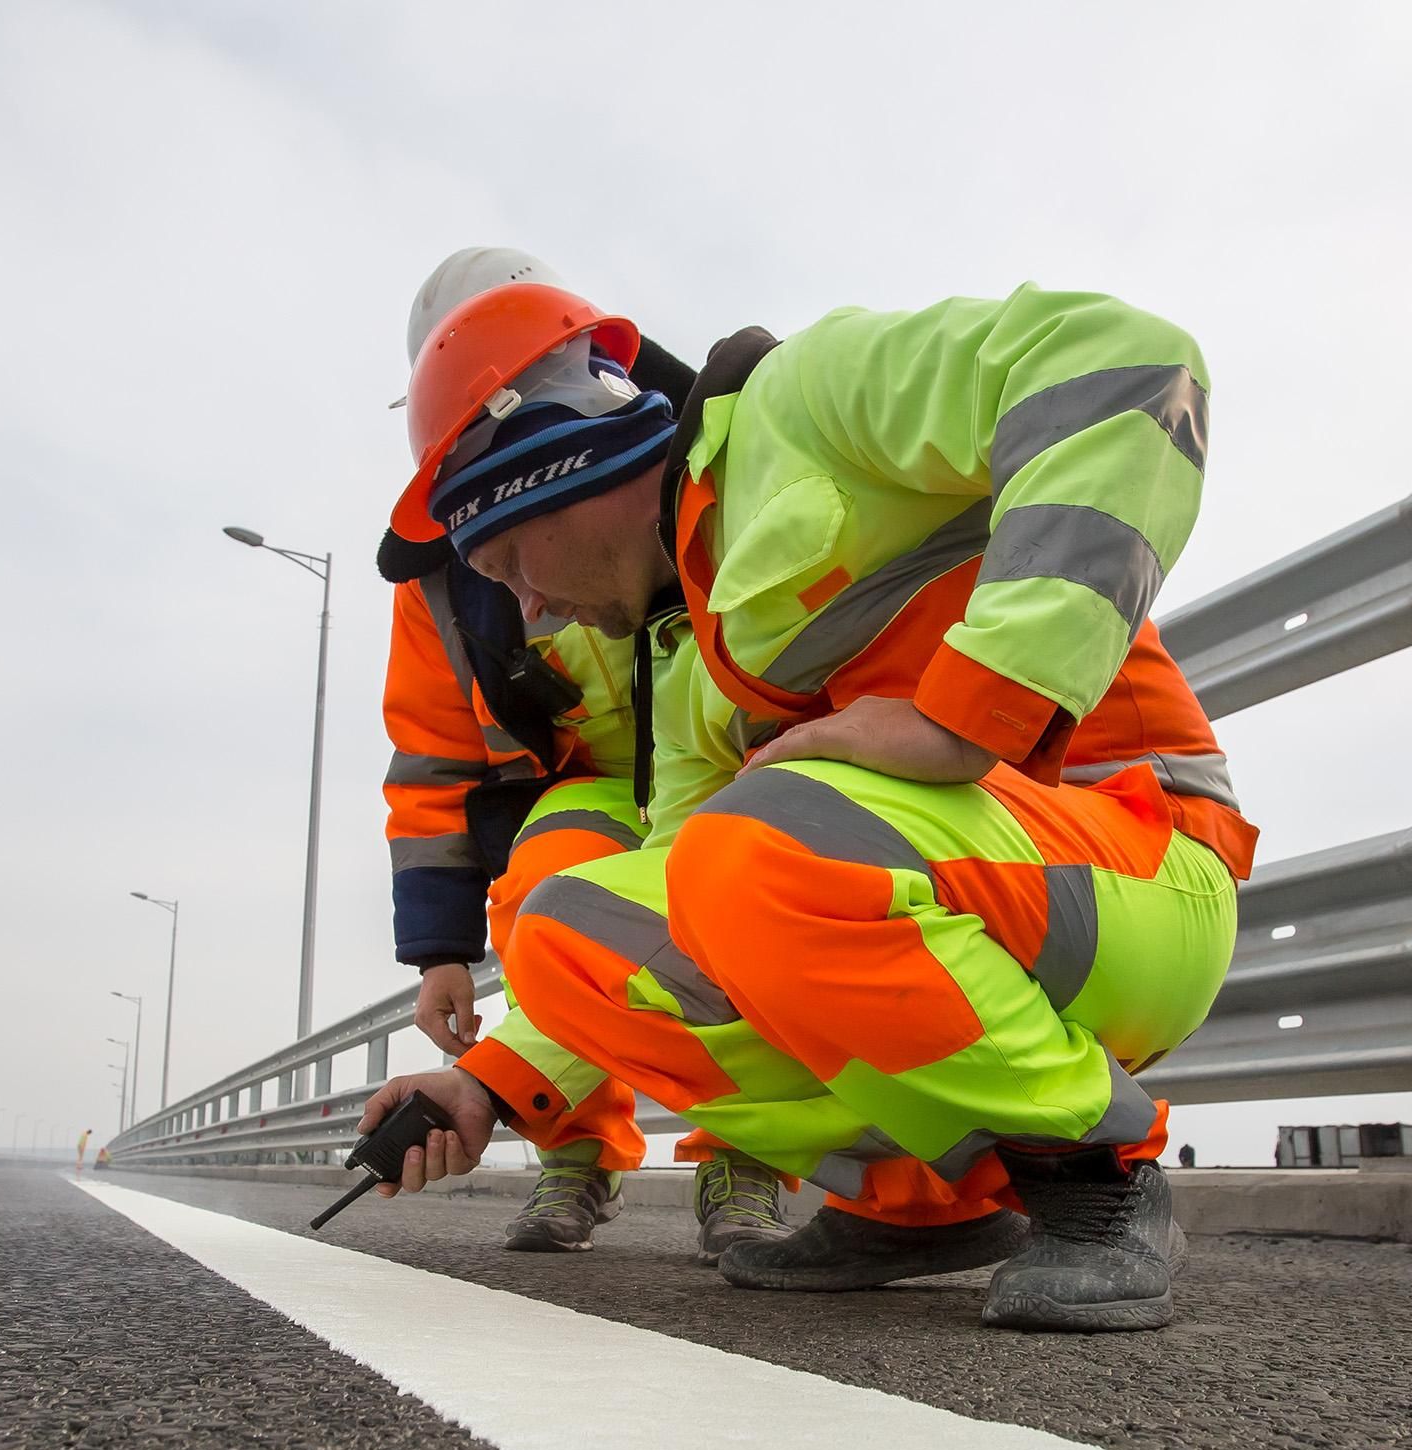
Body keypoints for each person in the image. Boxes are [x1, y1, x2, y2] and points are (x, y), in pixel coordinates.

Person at [359, 277, 1254, 1332]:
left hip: (1137, 867)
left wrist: (977, 707)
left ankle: (1096, 1178)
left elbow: (1120, 357)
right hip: (972, 890)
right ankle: (920, 1198)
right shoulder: (688, 663)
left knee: (752, 854)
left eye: (509, 562)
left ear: (559, 470)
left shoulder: (803, 401)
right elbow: (682, 916)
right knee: (568, 933)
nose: (532, 609)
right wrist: (490, 1086)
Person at [376, 249, 790, 1262]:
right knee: (546, 887)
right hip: (594, 783)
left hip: (729, 750)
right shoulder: (437, 581)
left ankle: (748, 1152)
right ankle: (572, 1147)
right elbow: (434, 760)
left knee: (748, 885)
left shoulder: (684, 448)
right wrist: (439, 950)